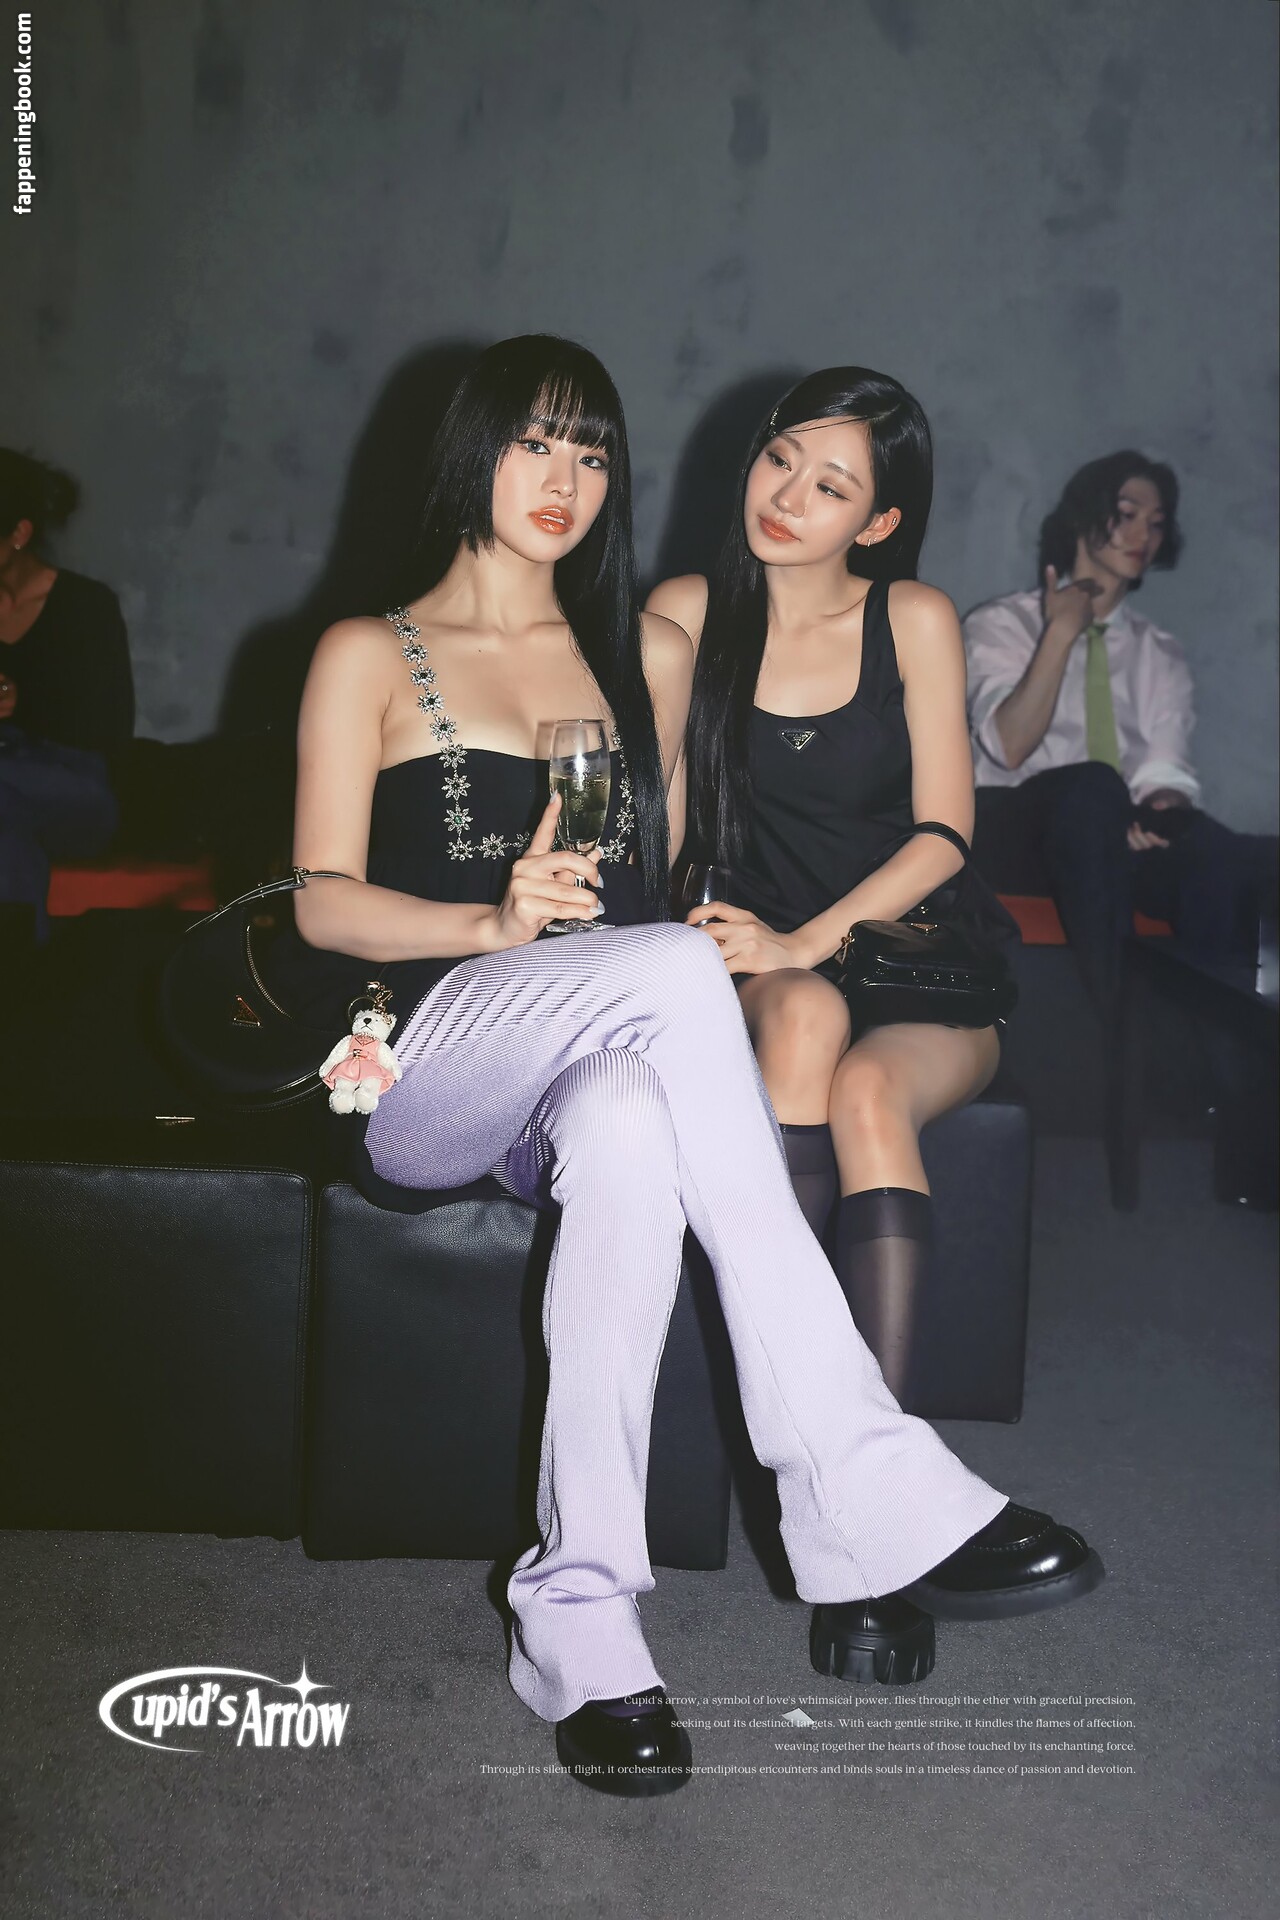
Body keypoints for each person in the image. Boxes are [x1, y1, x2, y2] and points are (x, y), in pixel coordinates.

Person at [283, 335, 1101, 1798]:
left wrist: (727, 934)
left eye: (593, 451)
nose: (567, 478)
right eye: (536, 442)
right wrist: (487, 920)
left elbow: (656, 879)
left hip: (570, 1058)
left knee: (630, 1119)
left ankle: (581, 1625)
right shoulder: (369, 650)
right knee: (665, 973)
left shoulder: (639, 655)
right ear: (472, 453)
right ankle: (854, 1473)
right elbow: (319, 902)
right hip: (416, 1063)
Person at [649, 368, 1014, 1410]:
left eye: (830, 486)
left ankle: (866, 1454)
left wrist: (805, 941)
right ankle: (788, 1413)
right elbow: (660, 823)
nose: (786, 496)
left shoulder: (912, 617)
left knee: (868, 1092)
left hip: (911, 956)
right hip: (756, 951)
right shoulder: (685, 611)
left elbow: (945, 834)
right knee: (806, 1019)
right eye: (779, 459)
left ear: (878, 522)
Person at [963, 451, 1265, 1026]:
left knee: (1233, 855)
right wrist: (1061, 633)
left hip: (1110, 839)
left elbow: (1164, 772)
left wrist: (1162, 811)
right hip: (1010, 830)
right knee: (1094, 790)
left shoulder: (1158, 652)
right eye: (1127, 514)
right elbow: (1007, 747)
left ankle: (1217, 1053)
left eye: (1156, 524)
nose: (1143, 536)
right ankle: (1115, 1031)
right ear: (1084, 515)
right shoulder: (999, 625)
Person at [0, 448, 134, 941]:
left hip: (75, 788)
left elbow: (111, 731)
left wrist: (22, 703)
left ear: (18, 534)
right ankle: (22, 974)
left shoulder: (85, 606)